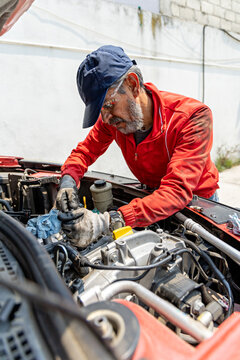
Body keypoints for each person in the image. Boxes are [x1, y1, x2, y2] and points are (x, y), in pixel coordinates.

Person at [56, 45, 219, 248]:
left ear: (133, 85)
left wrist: (108, 221)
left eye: (107, 105)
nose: (105, 118)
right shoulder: (112, 121)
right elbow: (85, 152)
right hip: (150, 198)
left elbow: (177, 190)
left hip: (198, 208)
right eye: (100, 110)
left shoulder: (192, 118)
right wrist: (68, 182)